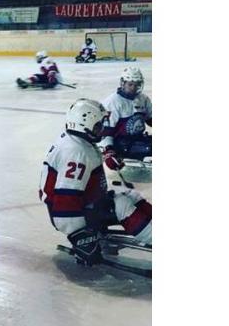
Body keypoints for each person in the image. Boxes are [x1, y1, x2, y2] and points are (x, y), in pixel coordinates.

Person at [39, 99, 152, 266]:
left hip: (86, 202)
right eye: (98, 125)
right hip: (72, 214)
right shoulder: (76, 152)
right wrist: (79, 236)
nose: (103, 130)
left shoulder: (78, 142)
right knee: (121, 204)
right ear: (84, 125)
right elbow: (65, 200)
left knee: (130, 194)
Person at [99, 67, 152, 167]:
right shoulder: (112, 102)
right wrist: (109, 151)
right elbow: (105, 132)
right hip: (121, 144)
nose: (133, 88)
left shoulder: (143, 99)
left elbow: (151, 119)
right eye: (130, 84)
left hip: (138, 139)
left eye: (137, 84)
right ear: (123, 83)